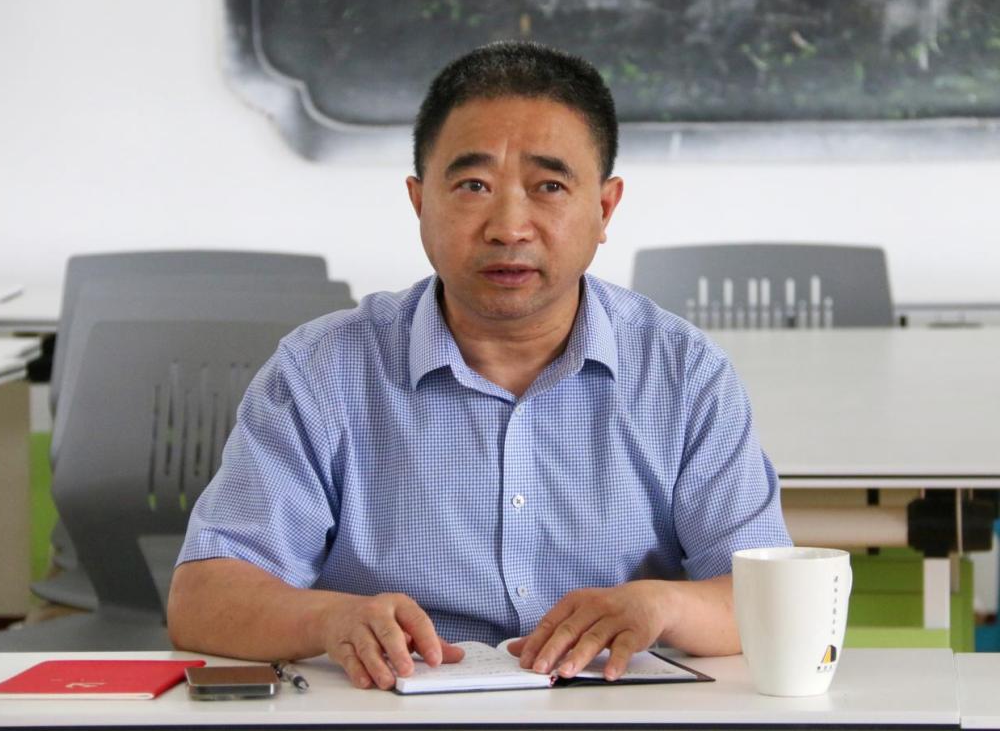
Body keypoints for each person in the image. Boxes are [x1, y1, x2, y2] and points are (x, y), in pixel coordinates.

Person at [167, 41, 791, 691]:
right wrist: (329, 619)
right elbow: (203, 599)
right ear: (419, 203)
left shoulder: (684, 374)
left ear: (604, 209)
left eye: (550, 186)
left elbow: (765, 596)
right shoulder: (320, 372)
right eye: (473, 186)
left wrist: (663, 605)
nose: (509, 227)